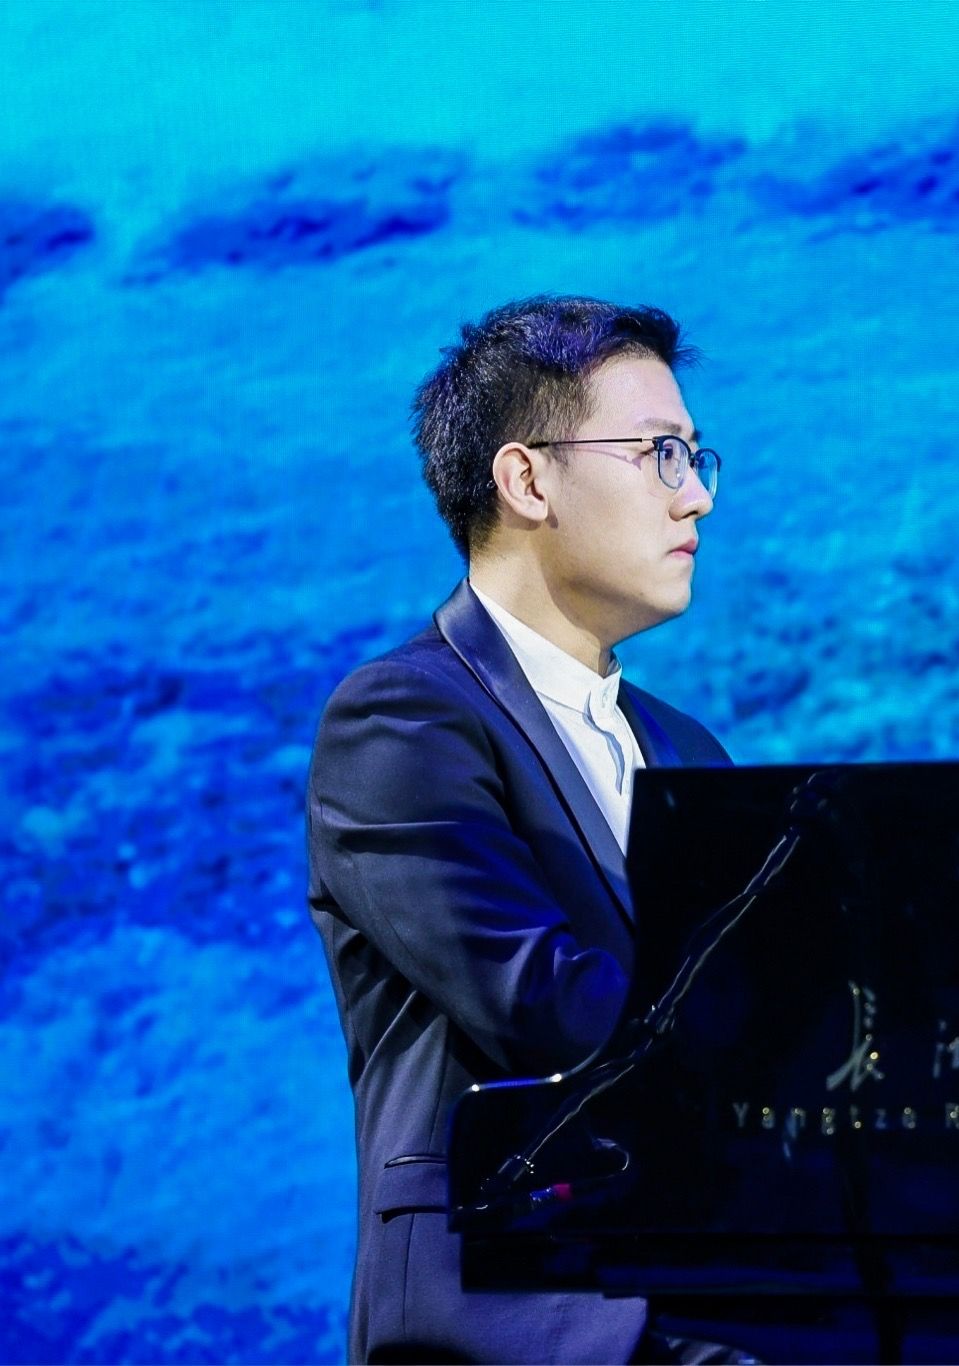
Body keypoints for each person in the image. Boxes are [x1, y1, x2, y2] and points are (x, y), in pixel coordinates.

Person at [307, 295, 731, 1363]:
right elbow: (537, 999)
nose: (695, 496)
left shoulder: (691, 750)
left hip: (715, 1294)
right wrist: (779, 1053)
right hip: (512, 1315)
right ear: (528, 480)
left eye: (695, 458)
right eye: (660, 454)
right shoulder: (400, 718)